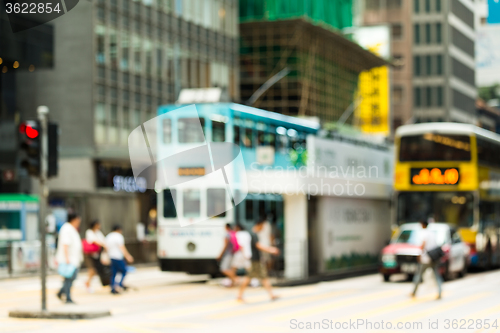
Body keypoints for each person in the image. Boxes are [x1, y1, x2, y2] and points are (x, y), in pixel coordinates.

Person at [236, 220, 280, 302]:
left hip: (255, 259)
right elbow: (258, 246)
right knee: (254, 277)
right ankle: (239, 295)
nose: (263, 228)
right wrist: (271, 250)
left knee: (259, 277)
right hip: (255, 260)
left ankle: (271, 294)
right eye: (263, 226)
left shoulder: (250, 233)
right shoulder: (253, 234)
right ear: (259, 225)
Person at [411, 220, 443, 299]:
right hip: (434, 257)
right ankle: (439, 292)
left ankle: (414, 292)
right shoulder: (432, 233)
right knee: (436, 275)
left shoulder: (424, 233)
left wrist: (419, 254)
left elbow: (423, 244)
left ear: (422, 224)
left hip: (426, 258)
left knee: (419, 274)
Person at [56, 213, 83, 304]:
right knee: (69, 278)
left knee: (71, 277)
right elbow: (65, 244)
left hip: (73, 258)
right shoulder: (67, 228)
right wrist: (67, 258)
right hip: (69, 259)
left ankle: (62, 292)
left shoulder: (71, 228)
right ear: (74, 219)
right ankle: (67, 297)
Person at [106, 225, 134, 294]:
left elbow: (106, 247)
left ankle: (113, 287)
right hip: (118, 257)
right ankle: (119, 285)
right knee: (124, 271)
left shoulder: (108, 236)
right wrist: (128, 256)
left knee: (113, 273)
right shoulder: (118, 236)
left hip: (111, 256)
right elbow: (122, 247)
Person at [84, 220, 106, 292]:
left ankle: (88, 283)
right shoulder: (89, 232)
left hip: (97, 254)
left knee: (95, 271)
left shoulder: (98, 232)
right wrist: (103, 245)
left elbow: (103, 240)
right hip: (89, 254)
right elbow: (94, 241)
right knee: (91, 270)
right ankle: (88, 284)